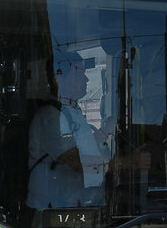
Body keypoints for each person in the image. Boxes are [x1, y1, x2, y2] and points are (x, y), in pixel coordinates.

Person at [27, 51, 110, 209]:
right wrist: (124, 163)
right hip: (50, 211)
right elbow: (77, 163)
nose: (85, 79)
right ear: (58, 79)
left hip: (71, 204)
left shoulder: (72, 111)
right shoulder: (51, 116)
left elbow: (84, 146)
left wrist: (106, 131)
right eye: (79, 74)